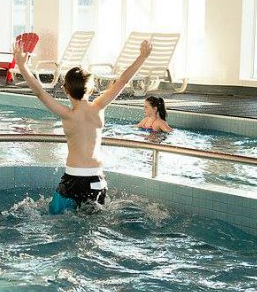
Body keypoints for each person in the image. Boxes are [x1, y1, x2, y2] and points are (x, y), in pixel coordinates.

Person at [13, 39, 153, 214]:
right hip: (96, 179)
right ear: (92, 89)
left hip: (73, 178)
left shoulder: (67, 114)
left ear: (66, 90)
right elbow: (123, 80)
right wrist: (143, 56)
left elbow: (40, 92)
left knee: (54, 215)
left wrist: (22, 65)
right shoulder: (99, 107)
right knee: (94, 220)